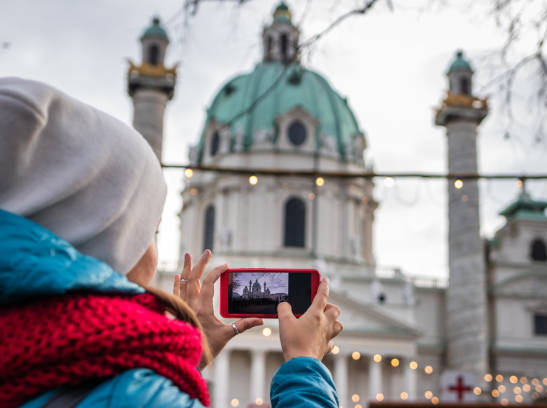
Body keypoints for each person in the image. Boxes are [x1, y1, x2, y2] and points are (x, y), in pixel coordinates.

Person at [0, 77, 343, 408]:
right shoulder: (114, 378)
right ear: (109, 235)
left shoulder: (52, 347)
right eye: (150, 229)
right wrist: (305, 363)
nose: (153, 248)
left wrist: (189, 356)